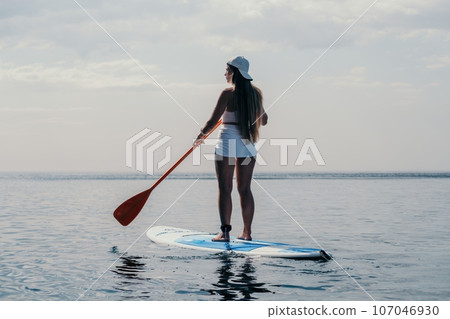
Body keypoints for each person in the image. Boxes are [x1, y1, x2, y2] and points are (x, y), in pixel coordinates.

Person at [194, 56, 268, 242]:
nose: (225, 74)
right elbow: (264, 120)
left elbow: (212, 121)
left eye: (227, 70)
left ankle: (225, 233)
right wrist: (249, 111)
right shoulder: (255, 94)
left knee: (225, 188)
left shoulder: (227, 93)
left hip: (227, 143)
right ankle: (247, 233)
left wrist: (200, 136)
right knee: (245, 189)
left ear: (234, 73)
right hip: (247, 146)